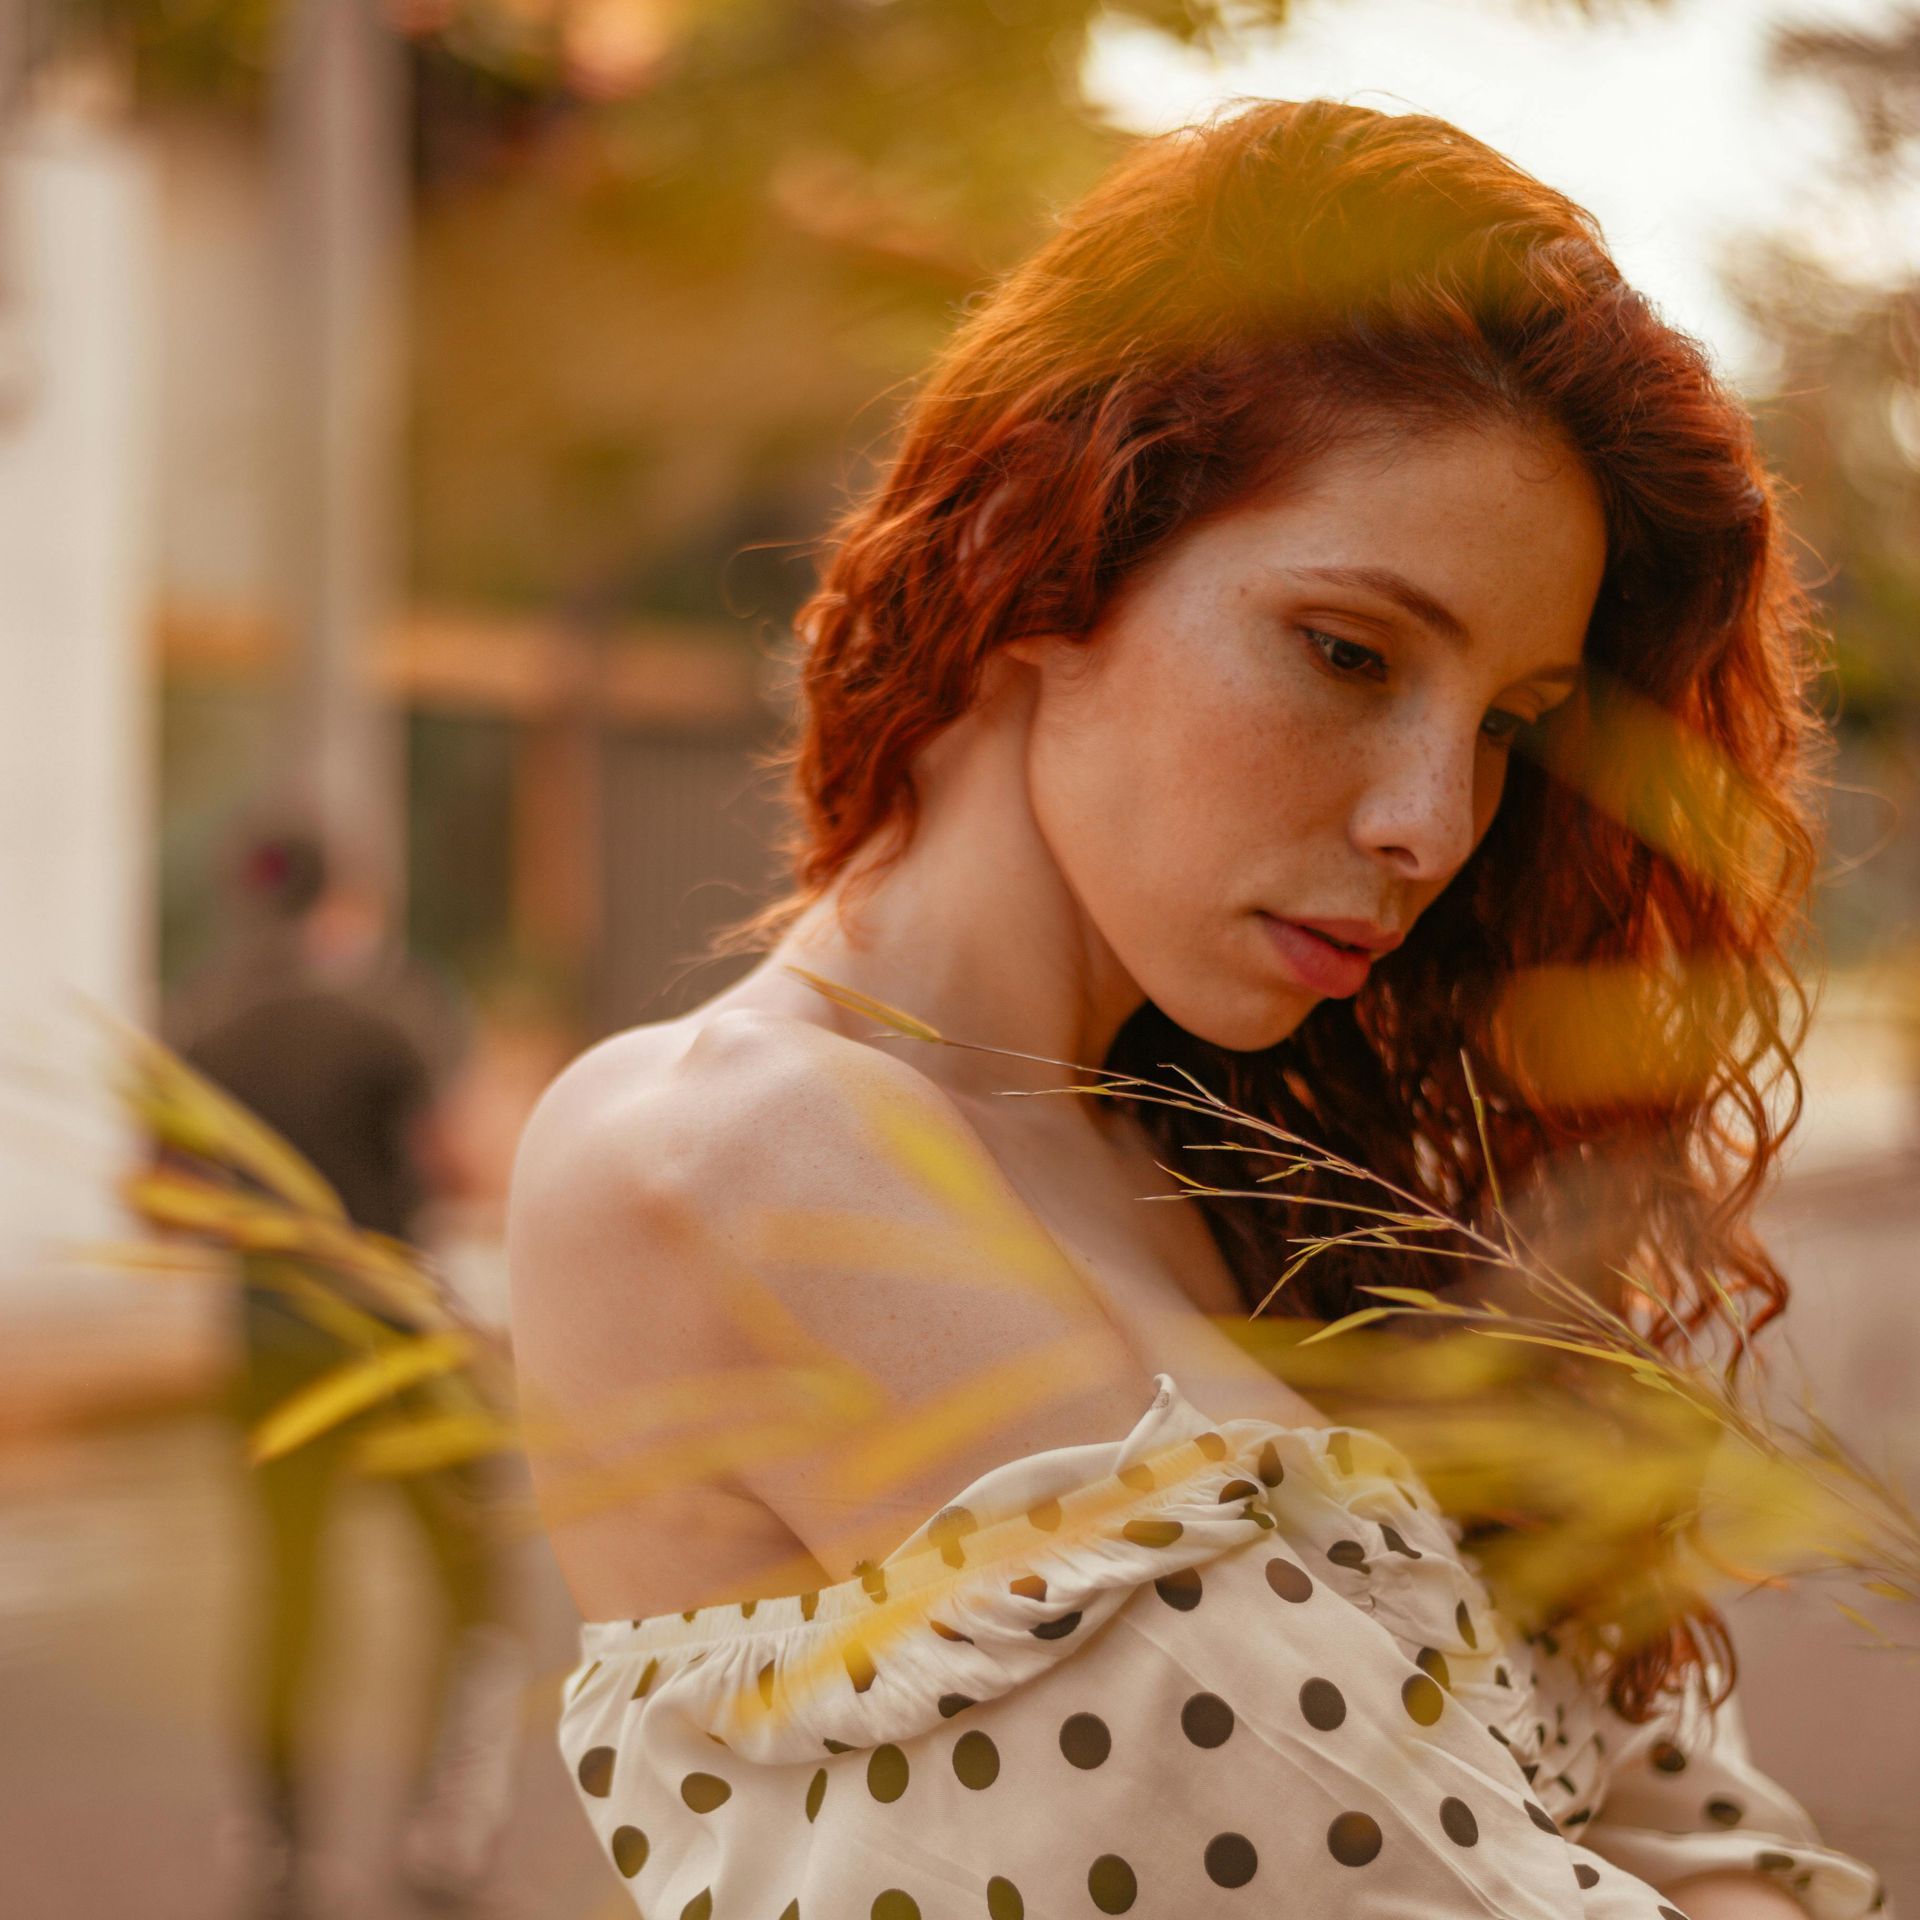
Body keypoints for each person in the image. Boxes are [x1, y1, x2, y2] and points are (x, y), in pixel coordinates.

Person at [505, 100, 1895, 1920]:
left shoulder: (1247, 1146)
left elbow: (1714, 1847)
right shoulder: (741, 1147)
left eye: (1508, 722)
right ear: (1042, 557)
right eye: (1348, 652)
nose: (1432, 822)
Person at [166, 827, 526, 1916]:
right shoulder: (391, 1010)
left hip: (266, 1348)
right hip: (395, 1346)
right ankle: (441, 1835)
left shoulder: (204, 1024)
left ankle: (275, 1849)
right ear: (347, 899)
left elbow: (157, 1194)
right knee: (477, 1590)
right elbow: (458, 1163)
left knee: (286, 1596)